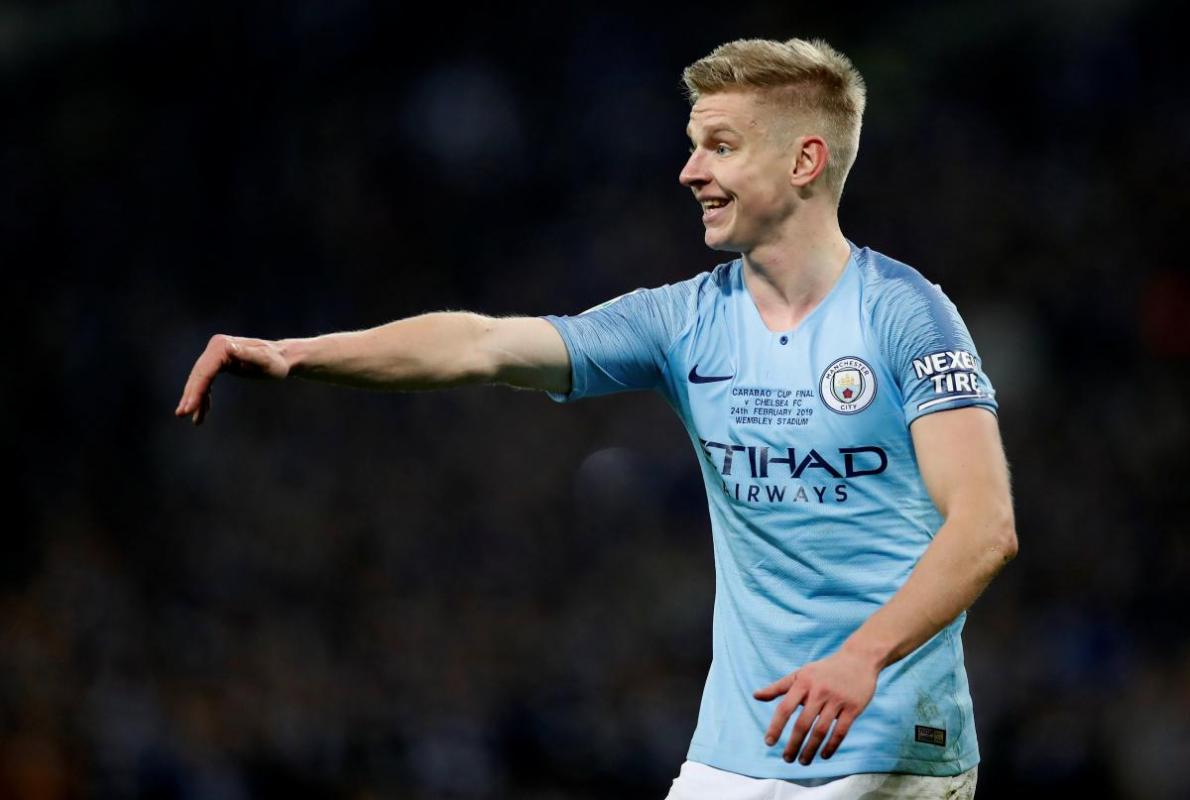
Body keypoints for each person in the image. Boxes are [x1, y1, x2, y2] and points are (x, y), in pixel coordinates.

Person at [176, 37, 1016, 800]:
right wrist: (298, 354)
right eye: (693, 145)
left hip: (885, 740)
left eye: (721, 146)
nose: (690, 171)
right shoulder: (684, 320)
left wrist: (861, 657)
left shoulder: (904, 315)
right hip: (737, 750)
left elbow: (983, 528)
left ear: (805, 160)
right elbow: (482, 344)